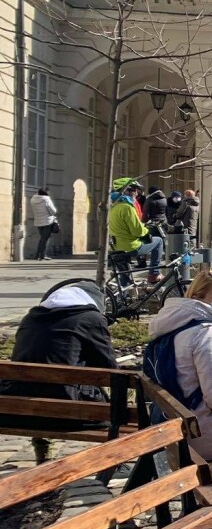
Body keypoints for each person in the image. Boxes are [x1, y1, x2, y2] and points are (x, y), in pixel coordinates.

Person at [5, 280, 117, 462]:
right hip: (70, 415)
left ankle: (42, 448)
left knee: (41, 386)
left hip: (17, 411)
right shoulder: (91, 319)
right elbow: (110, 368)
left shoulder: (31, 317)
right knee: (125, 396)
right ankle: (116, 458)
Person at [147, 269, 212, 460]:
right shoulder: (205, 333)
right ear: (197, 297)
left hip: (182, 425)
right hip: (209, 434)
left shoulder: (172, 325)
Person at [109, 181, 164, 283]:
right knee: (158, 241)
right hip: (130, 246)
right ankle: (154, 273)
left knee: (125, 277)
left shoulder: (113, 207)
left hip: (117, 247)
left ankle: (122, 297)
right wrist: (146, 230)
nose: (137, 193)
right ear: (126, 191)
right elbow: (137, 231)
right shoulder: (127, 207)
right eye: (134, 190)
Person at [30, 187, 58, 260]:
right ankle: (39, 255)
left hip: (38, 221)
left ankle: (41, 255)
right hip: (47, 221)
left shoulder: (33, 199)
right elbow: (53, 211)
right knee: (44, 239)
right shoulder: (46, 199)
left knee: (43, 238)